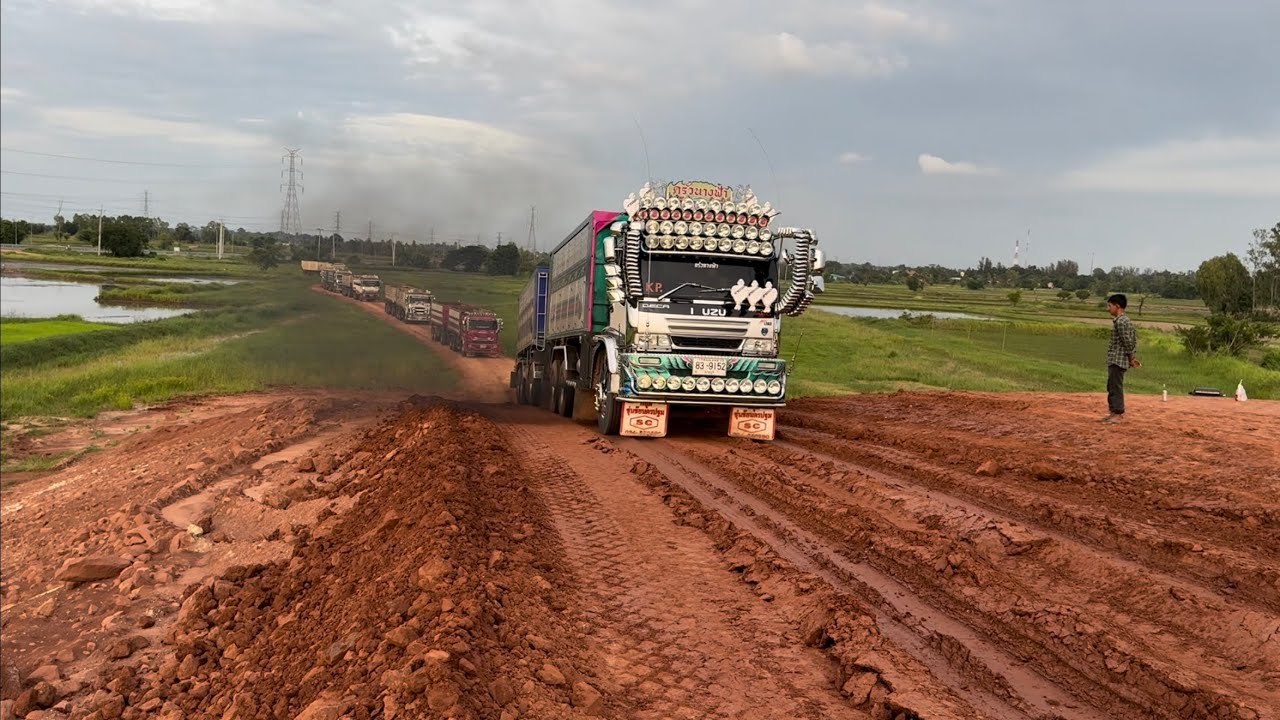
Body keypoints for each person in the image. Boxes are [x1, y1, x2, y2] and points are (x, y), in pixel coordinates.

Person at [1104, 293, 1139, 423]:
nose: (1108, 308)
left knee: (1115, 387)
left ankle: (1118, 413)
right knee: (1112, 386)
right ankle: (1113, 412)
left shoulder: (1121, 322)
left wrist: (1131, 358)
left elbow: (1128, 342)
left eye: (1110, 305)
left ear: (1117, 306)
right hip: (1115, 359)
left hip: (1118, 359)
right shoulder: (1123, 321)